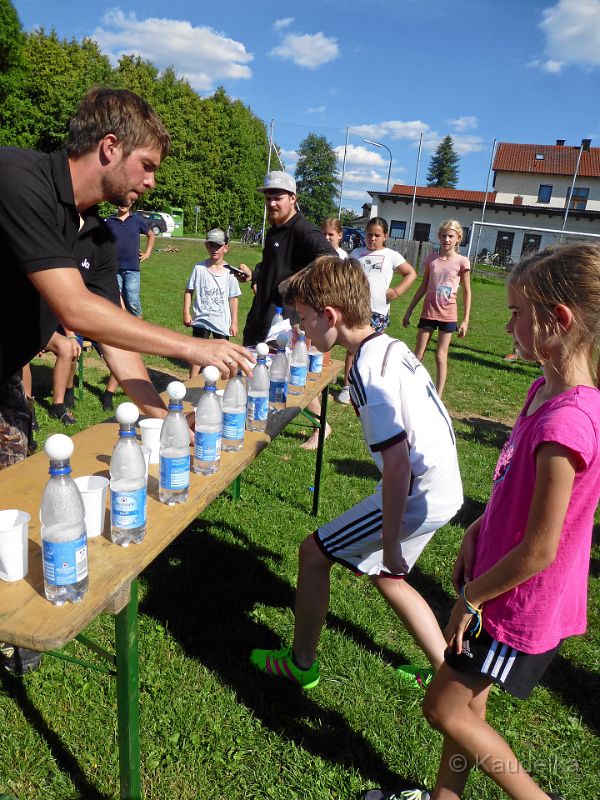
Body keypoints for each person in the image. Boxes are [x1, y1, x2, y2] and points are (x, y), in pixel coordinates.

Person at [0, 86, 253, 675]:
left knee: (11, 505)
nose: (152, 182)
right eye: (148, 165)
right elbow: (77, 310)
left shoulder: (96, 234)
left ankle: (12, 630)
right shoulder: (17, 178)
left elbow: (116, 339)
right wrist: (193, 345)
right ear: (110, 147)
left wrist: (168, 420)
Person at [364, 243, 600, 800]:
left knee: (444, 710)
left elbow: (542, 548)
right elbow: (512, 485)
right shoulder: (543, 390)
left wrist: (471, 598)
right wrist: (478, 528)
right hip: (499, 586)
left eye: (517, 313)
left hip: (514, 604)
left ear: (559, 319)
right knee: (466, 710)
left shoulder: (568, 425)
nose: (508, 324)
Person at [250, 255, 463, 689]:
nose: (301, 328)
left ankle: (301, 664)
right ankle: (447, 675)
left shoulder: (366, 371)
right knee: (390, 579)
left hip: (417, 492)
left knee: (313, 554)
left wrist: (390, 541)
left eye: (305, 318)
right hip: (444, 487)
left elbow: (398, 466)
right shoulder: (390, 346)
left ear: (331, 316)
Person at [243, 170, 337, 450]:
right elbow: (275, 265)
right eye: (268, 198)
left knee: (287, 373)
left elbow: (331, 260)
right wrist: (255, 275)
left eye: (278, 198)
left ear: (293, 198)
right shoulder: (275, 229)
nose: (272, 203)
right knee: (256, 366)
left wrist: (295, 283)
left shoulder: (303, 230)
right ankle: (254, 416)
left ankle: (321, 425)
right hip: (262, 311)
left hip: (284, 320)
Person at [337, 217, 417, 405]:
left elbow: (411, 273)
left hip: (379, 311)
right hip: (357, 309)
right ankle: (347, 387)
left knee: (373, 349)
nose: (372, 238)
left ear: (385, 236)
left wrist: (397, 291)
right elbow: (344, 276)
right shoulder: (356, 254)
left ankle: (369, 386)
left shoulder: (391, 255)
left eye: (377, 235)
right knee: (352, 349)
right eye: (369, 234)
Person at [403, 219, 471, 398]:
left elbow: (467, 292)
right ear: (439, 237)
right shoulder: (431, 259)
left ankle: (438, 396)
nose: (447, 239)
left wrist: (465, 320)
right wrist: (410, 309)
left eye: (451, 236)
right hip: (428, 312)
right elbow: (423, 286)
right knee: (418, 354)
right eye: (443, 236)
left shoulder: (462, 262)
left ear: (458, 238)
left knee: (440, 355)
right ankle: (409, 390)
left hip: (448, 315)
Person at [183, 228, 242, 378]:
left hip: (221, 321)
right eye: (211, 245)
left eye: (218, 245)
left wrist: (234, 322)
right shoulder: (199, 268)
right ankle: (191, 382)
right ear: (206, 246)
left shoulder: (230, 273)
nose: (214, 249)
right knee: (197, 354)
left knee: (223, 357)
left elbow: (233, 299)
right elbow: (189, 291)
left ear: (226, 248)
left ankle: (221, 384)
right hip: (201, 319)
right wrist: (186, 312)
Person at [105, 202, 156, 317]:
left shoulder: (136, 220)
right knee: (116, 299)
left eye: (126, 202)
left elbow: (151, 235)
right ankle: (121, 323)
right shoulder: (109, 221)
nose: (123, 204)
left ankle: (138, 322)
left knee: (132, 299)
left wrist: (147, 253)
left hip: (132, 267)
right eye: (120, 202)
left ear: (131, 203)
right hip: (114, 267)